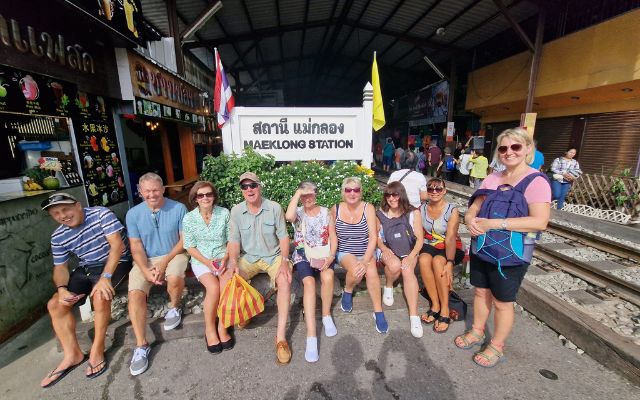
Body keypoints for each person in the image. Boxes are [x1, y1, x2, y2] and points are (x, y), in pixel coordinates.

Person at [456, 127, 550, 367]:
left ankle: (497, 345)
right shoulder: (493, 177)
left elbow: (540, 221)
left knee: (502, 302)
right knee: (479, 292)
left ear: (528, 149)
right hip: (484, 246)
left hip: (512, 253)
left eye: (515, 147)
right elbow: (474, 208)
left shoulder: (536, 181)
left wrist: (495, 223)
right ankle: (477, 331)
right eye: (503, 148)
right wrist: (469, 220)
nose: (509, 152)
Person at [39, 193, 130, 387]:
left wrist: (105, 278)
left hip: (116, 262)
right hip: (87, 268)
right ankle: (73, 354)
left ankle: (97, 348)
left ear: (78, 206)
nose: (62, 215)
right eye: (56, 213)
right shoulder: (58, 236)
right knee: (55, 304)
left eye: (65, 209)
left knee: (100, 295)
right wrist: (62, 288)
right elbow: (61, 268)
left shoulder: (100, 214)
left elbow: (117, 246)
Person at [126, 172, 189, 376]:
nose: (152, 195)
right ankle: (141, 345)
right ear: (140, 192)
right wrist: (145, 270)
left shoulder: (178, 208)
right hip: (146, 259)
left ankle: (175, 306)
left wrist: (163, 263)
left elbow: (183, 241)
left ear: (163, 189)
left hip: (173, 253)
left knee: (174, 277)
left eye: (155, 190)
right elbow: (135, 246)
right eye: (147, 191)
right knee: (135, 294)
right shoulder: (133, 214)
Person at [227, 172, 293, 365]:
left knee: (285, 281)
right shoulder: (236, 211)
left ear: (259, 186)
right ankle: (245, 312)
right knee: (232, 277)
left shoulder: (274, 208)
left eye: (253, 185)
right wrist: (233, 262)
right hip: (249, 257)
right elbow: (234, 240)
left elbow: (283, 237)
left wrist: (284, 261)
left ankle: (280, 338)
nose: (249, 190)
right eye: (245, 187)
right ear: (241, 191)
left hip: (273, 257)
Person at [285, 181, 338, 363]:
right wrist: (298, 193)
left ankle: (326, 315)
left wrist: (331, 257)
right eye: (304, 195)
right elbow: (288, 215)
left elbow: (333, 236)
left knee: (328, 275)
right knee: (308, 283)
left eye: (310, 194)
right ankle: (311, 336)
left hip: (323, 254)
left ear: (316, 194)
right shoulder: (298, 212)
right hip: (303, 254)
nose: (308, 198)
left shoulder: (326, 212)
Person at [182, 181, 234, 353]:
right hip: (201, 260)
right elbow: (189, 247)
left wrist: (225, 257)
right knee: (213, 288)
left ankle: (222, 327)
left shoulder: (224, 213)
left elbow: (230, 240)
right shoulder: (189, 218)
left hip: (223, 258)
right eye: (201, 195)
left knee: (226, 286)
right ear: (195, 198)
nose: (205, 198)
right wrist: (207, 262)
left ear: (214, 196)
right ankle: (210, 329)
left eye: (209, 194)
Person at [331, 177, 388, 333]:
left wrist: (365, 259)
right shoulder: (335, 209)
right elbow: (333, 236)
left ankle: (378, 311)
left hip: (365, 250)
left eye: (356, 190)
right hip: (344, 250)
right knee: (357, 270)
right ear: (343, 192)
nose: (352, 193)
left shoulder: (367, 208)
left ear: (361, 192)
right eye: (348, 190)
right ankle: (348, 290)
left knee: (371, 272)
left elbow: (373, 236)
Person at [376, 182, 424, 337]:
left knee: (408, 271)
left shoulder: (412, 212)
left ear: (401, 194)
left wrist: (411, 257)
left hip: (409, 250)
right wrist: (383, 249)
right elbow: (376, 237)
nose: (391, 198)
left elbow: (420, 240)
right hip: (388, 248)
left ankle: (414, 315)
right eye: (388, 195)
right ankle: (389, 286)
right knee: (395, 265)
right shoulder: (380, 213)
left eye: (395, 194)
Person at [418, 179, 465, 334]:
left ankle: (444, 310)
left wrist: (450, 262)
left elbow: (451, 238)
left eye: (438, 189)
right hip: (431, 244)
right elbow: (419, 234)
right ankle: (435, 305)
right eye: (430, 189)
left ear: (444, 191)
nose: (434, 192)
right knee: (423, 259)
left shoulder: (452, 210)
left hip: (451, 247)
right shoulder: (422, 208)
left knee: (439, 262)